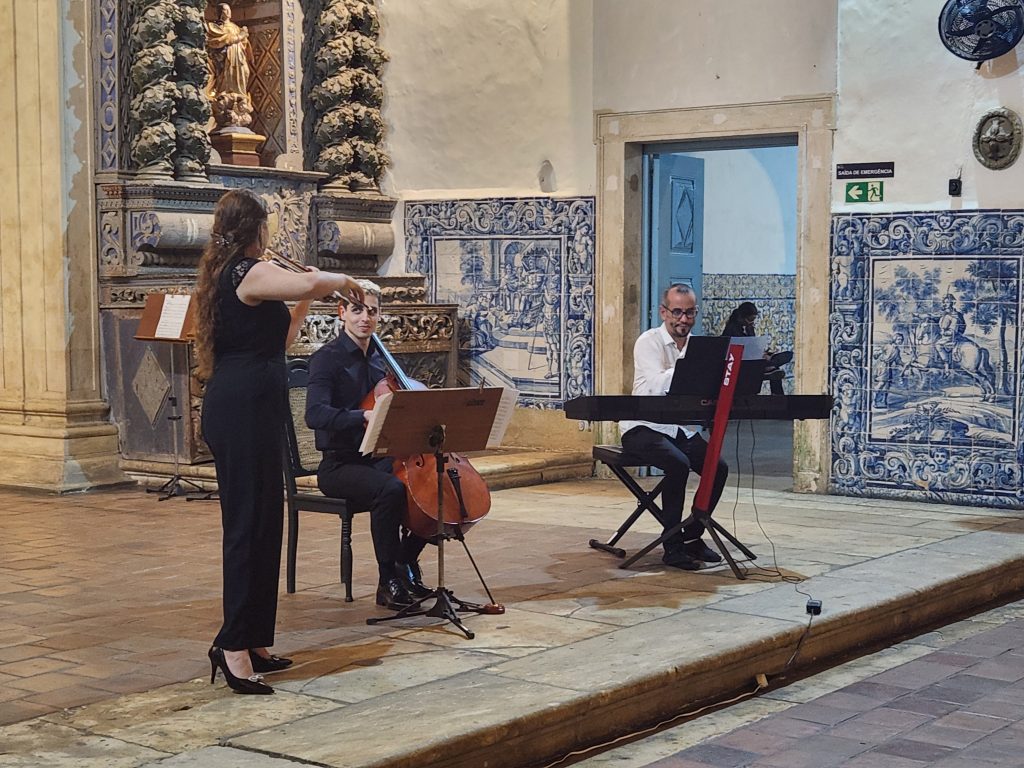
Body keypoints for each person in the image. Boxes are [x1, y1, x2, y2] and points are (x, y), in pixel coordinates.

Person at [194, 189, 364, 695]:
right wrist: (345, 281)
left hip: (257, 407)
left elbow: (282, 341)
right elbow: (312, 277)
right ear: (255, 228)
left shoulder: (250, 277)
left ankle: (254, 639)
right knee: (247, 526)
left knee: (267, 522)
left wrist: (307, 298)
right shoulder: (246, 273)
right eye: (265, 226)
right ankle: (231, 646)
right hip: (240, 410)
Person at [305, 281, 431, 611]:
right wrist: (362, 416)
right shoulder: (326, 360)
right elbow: (314, 414)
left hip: (376, 456)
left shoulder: (379, 360)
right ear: (342, 312)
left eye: (372, 311)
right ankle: (387, 581)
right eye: (357, 310)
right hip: (339, 464)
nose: (365, 318)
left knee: (433, 488)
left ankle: (405, 562)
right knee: (389, 490)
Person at [619, 284, 729, 571]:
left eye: (690, 313)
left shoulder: (698, 346)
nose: (683, 320)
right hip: (642, 426)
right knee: (678, 465)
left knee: (718, 467)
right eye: (677, 312)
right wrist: (691, 368)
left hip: (678, 428)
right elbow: (656, 385)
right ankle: (672, 546)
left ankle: (692, 535)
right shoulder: (649, 341)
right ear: (663, 312)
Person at [720, 301, 792, 395]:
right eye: (750, 319)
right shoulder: (732, 330)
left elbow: (753, 344)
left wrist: (763, 353)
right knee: (776, 370)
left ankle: (769, 366)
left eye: (753, 319)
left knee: (788, 355)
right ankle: (769, 369)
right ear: (741, 317)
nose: (752, 322)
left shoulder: (750, 329)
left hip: (755, 357)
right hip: (743, 362)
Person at [206, 3, 254, 129]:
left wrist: (244, 38)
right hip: (227, 60)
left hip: (239, 58)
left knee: (244, 73)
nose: (229, 12)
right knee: (226, 78)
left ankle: (240, 98)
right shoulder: (216, 27)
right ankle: (226, 99)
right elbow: (216, 42)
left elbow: (244, 44)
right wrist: (239, 37)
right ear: (220, 12)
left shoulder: (235, 27)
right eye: (226, 10)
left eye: (229, 10)